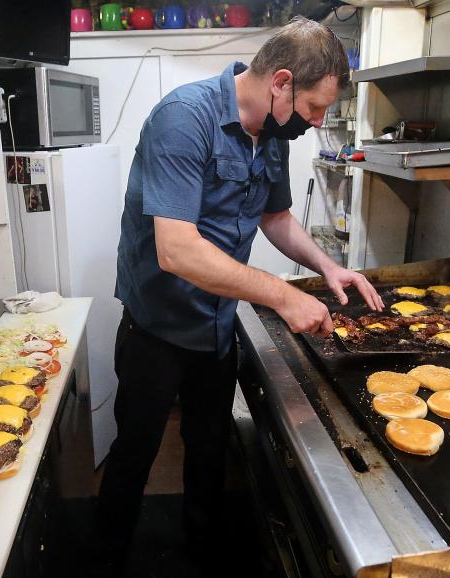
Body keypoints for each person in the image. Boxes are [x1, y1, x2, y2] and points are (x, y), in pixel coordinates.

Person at [94, 16, 384, 575]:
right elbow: (176, 250)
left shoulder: (272, 134)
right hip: (156, 329)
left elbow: (276, 217)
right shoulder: (184, 120)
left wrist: (326, 267)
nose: (318, 122)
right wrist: (280, 294)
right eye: (315, 108)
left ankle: (201, 558)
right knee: (134, 457)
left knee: (208, 453)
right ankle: (106, 562)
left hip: (216, 327)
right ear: (281, 82)